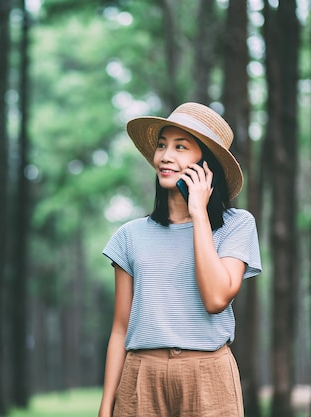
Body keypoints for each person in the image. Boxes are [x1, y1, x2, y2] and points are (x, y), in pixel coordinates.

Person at [98, 102, 262, 417]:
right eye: (162, 146)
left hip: (209, 378)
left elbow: (215, 298)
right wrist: (107, 407)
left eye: (180, 147)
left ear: (207, 163)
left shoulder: (237, 226)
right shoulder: (129, 236)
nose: (166, 156)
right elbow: (120, 329)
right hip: (142, 378)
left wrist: (199, 213)